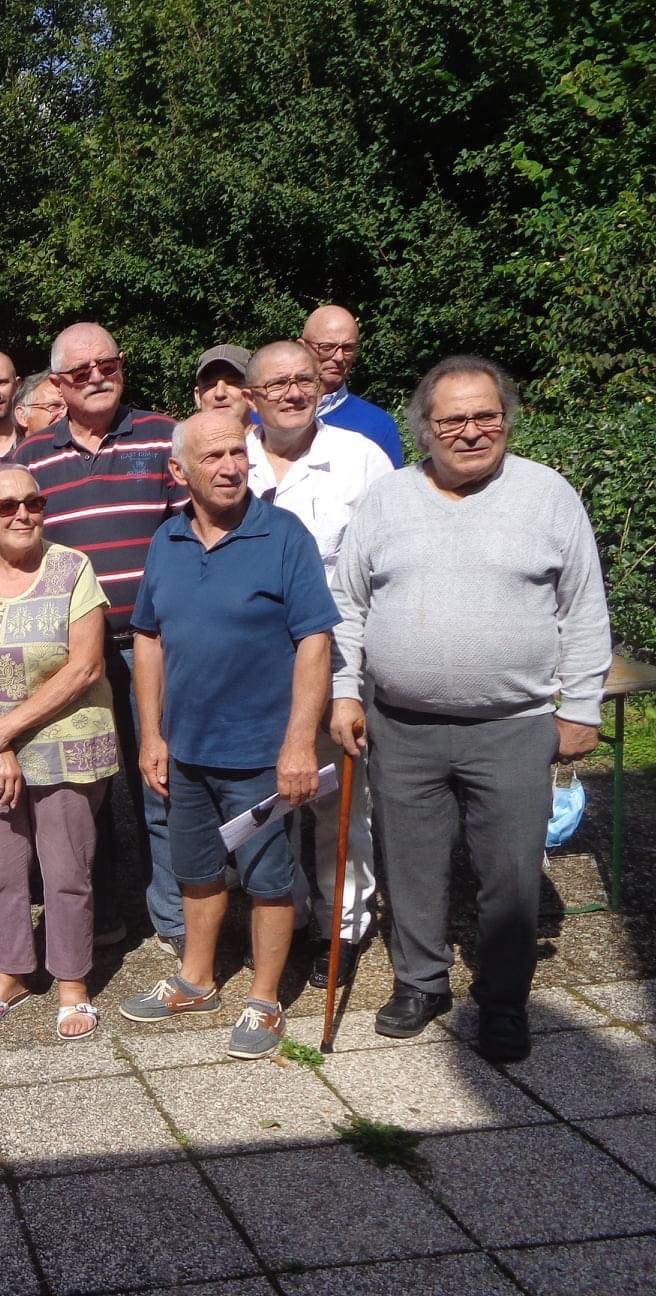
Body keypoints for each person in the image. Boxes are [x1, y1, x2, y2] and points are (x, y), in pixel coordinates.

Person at [331, 356, 611, 1061]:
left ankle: (503, 1001)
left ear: (506, 420)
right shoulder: (387, 500)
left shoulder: (547, 495)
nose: (470, 430)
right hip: (402, 723)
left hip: (512, 726)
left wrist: (579, 706)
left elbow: (583, 609)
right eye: (452, 418)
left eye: (485, 415)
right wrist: (343, 690)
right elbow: (346, 605)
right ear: (424, 428)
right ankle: (421, 983)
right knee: (411, 865)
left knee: (510, 872)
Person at [118, 412, 338, 1060]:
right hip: (186, 751)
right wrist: (151, 734)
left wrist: (300, 743)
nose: (229, 466)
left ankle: (265, 1000)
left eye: (236, 452)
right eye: (211, 456)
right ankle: (196, 980)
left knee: (270, 877)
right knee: (195, 870)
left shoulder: (284, 536)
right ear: (178, 472)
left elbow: (315, 643)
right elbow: (148, 638)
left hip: (261, 753)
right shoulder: (167, 541)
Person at [12, 322, 185, 957]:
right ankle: (106, 914)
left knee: (161, 780)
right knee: (82, 793)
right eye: (79, 371)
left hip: (153, 646)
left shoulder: (165, 436)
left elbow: (190, 538)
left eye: (106, 363)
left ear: (121, 366)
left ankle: (172, 917)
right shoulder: (30, 460)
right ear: (56, 384)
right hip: (71, 655)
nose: (95, 376)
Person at [0, 466, 119, 1039]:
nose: (22, 514)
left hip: (65, 741)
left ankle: (71, 980)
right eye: (8, 506)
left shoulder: (73, 567)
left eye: (33, 503)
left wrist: (4, 730)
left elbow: (86, 666)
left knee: (66, 871)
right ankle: (11, 969)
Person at [244, 341, 393, 987]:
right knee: (266, 810)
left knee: (338, 810)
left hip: (334, 666)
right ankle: (287, 916)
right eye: (275, 383)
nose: (292, 392)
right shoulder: (230, 458)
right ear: (252, 397)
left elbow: (380, 580)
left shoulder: (362, 462)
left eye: (303, 379)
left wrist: (353, 682)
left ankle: (343, 929)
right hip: (249, 674)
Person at [300, 305, 404, 467]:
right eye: (327, 347)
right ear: (302, 347)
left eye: (348, 348)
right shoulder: (265, 416)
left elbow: (391, 490)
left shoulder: (377, 425)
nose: (339, 357)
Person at [193, 345, 253, 426]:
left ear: (253, 393)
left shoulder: (273, 438)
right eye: (210, 384)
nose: (219, 393)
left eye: (232, 382)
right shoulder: (181, 438)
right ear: (197, 397)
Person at [11, 371, 66, 442]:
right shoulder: (16, 453)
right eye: (55, 407)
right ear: (22, 416)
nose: (65, 414)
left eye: (71, 408)